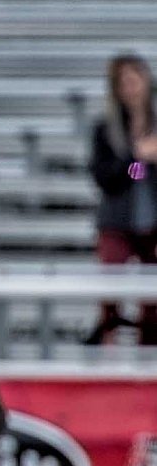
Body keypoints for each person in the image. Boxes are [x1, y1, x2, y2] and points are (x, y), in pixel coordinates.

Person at [89, 54, 157, 345]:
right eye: (124, 82)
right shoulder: (106, 130)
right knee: (111, 291)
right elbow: (108, 178)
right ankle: (107, 350)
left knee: (152, 300)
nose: (131, 88)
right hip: (118, 222)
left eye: (135, 79)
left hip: (153, 225)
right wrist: (137, 158)